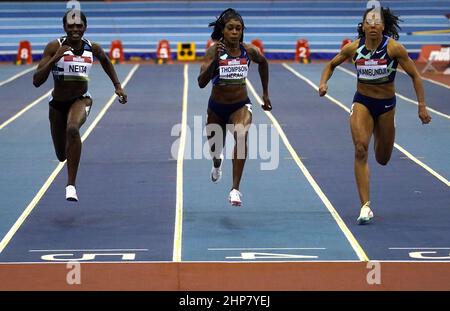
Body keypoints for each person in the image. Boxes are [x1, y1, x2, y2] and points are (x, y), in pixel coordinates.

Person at [319, 6, 432, 224]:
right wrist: (324, 83)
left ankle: (383, 134)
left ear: (383, 26)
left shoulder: (394, 49)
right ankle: (365, 206)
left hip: (387, 106)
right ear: (362, 26)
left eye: (377, 21)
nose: (372, 25)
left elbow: (416, 77)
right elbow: (330, 65)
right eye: (368, 22)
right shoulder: (353, 48)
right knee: (360, 148)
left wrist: (422, 106)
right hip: (362, 102)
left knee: (382, 158)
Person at [33, 10, 127, 202]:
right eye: (71, 26)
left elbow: (106, 61)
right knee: (61, 155)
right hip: (57, 105)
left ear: (85, 27)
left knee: (73, 129)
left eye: (79, 26)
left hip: (81, 99)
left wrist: (117, 86)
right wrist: (55, 58)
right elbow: (36, 81)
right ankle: (70, 150)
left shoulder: (92, 48)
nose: (75, 29)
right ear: (64, 27)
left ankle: (71, 186)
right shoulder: (54, 46)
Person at [198, 8, 272, 206]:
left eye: (238, 29)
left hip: (240, 105)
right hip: (216, 108)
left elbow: (263, 63)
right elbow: (201, 82)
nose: (234, 32)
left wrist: (265, 94)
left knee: (241, 135)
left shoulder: (249, 50)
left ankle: (235, 189)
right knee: (215, 150)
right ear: (223, 30)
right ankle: (216, 163)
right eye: (230, 28)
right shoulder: (213, 51)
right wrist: (215, 61)